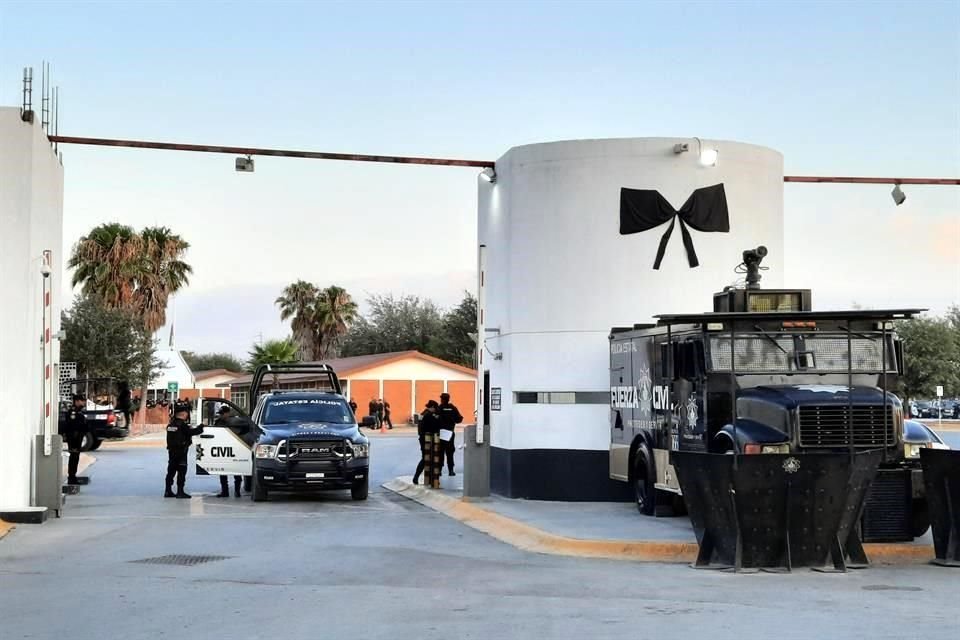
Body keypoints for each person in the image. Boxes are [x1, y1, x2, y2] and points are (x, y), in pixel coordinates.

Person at [164, 400, 203, 499]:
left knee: (171, 471)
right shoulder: (182, 425)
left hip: (172, 452)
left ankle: (168, 491)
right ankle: (180, 492)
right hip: (181, 452)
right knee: (181, 471)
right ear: (184, 414)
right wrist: (201, 427)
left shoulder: (171, 425)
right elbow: (192, 432)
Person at [214, 406, 243, 498]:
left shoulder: (236, 421)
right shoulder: (218, 422)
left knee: (237, 471)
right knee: (223, 471)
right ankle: (225, 491)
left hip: (234, 448)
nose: (222, 415)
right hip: (223, 448)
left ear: (228, 413)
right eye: (221, 414)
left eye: (223, 413)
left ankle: (237, 491)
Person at [413, 400, 441, 485]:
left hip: (423, 438)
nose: (436, 410)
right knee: (426, 458)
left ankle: (421, 477)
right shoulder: (428, 415)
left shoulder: (424, 413)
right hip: (427, 439)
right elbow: (434, 426)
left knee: (426, 458)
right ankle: (417, 477)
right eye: (435, 408)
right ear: (432, 407)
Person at [63, 394, 89, 484]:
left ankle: (73, 477)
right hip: (74, 438)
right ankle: (71, 477)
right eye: (82, 400)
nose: (83, 402)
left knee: (76, 458)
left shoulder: (79, 411)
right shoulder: (73, 412)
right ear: (77, 401)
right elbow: (72, 427)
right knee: (73, 458)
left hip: (78, 438)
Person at [437, 392, 463, 476]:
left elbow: (435, 419)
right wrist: (452, 420)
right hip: (450, 433)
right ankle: (451, 471)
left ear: (442, 399)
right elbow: (459, 419)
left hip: (440, 433)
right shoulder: (453, 408)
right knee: (450, 452)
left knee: (440, 452)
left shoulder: (439, 408)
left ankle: (439, 470)